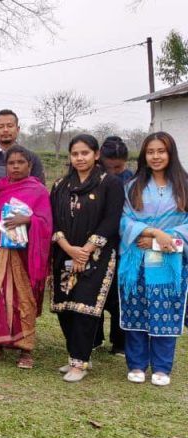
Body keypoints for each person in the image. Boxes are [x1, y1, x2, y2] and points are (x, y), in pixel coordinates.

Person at [48, 134, 123, 382]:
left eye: (85, 153)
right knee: (64, 306)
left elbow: (112, 219)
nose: (80, 158)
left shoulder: (109, 183)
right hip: (64, 253)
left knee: (85, 308)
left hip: (97, 256)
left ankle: (79, 364)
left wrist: (87, 249)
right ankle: (77, 355)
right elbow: (53, 219)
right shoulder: (60, 185)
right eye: (75, 154)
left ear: (96, 155)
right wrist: (68, 248)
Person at [119, 132, 188, 387]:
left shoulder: (184, 186)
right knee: (136, 308)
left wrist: (158, 241)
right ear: (144, 156)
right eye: (150, 152)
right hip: (136, 258)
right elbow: (124, 220)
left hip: (169, 259)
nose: (155, 156)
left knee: (165, 309)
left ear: (171, 154)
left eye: (161, 151)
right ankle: (137, 364)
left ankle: (162, 366)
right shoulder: (132, 186)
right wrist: (153, 232)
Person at [0, 109, 46, 338]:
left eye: (10, 125)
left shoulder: (32, 158)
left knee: (21, 285)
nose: (5, 130)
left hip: (22, 233)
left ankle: (22, 336)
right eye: (1, 126)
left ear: (18, 129)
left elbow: (37, 193)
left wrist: (29, 220)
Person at [0, 146, 52, 369]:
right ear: (6, 166)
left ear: (30, 165)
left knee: (24, 298)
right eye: (11, 163)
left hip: (25, 254)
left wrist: (28, 220)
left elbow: (46, 223)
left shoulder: (38, 190)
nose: (16, 166)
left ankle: (25, 349)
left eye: (21, 162)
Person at [98, 135, 132, 356]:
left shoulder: (132, 180)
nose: (114, 172)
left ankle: (120, 341)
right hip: (98, 240)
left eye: (118, 167)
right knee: (95, 290)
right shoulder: (95, 176)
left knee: (120, 294)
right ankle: (95, 338)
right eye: (109, 167)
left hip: (124, 242)